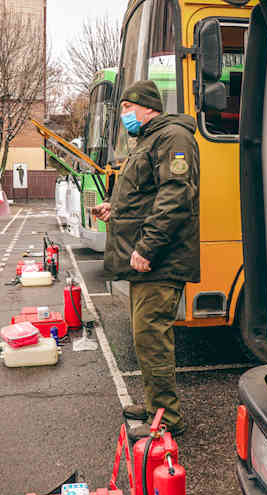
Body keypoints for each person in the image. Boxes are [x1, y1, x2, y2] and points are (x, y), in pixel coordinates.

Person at [93, 80, 200, 441]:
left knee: (152, 336)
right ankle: (157, 405)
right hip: (148, 258)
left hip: (161, 260)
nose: (124, 116)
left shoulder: (173, 138)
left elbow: (175, 196)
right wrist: (115, 208)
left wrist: (147, 247)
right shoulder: (150, 140)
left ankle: (168, 418)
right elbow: (147, 194)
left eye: (127, 108)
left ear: (148, 107)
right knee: (144, 336)